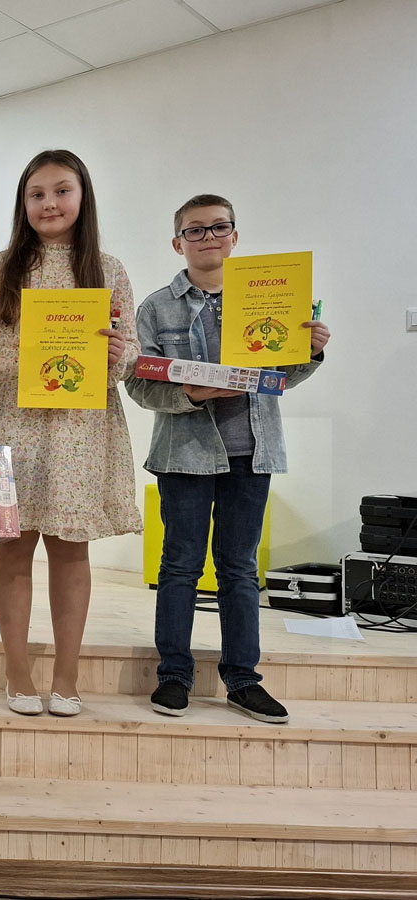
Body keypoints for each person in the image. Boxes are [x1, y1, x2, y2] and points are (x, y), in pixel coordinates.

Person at [125, 194, 330, 723]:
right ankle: (174, 676)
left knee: (239, 569)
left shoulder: (271, 299)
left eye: (219, 227)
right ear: (178, 243)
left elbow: (281, 377)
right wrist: (190, 395)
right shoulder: (156, 308)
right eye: (195, 230)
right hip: (184, 455)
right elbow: (140, 385)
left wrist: (311, 351)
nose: (208, 237)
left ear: (235, 237)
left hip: (253, 452)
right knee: (180, 565)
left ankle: (242, 680)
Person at [0, 149, 141, 718]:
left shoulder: (108, 270)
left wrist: (118, 352)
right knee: (13, 547)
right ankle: (17, 673)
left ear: (83, 197)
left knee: (70, 550)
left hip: (78, 432)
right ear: (23, 203)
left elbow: (130, 355)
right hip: (12, 426)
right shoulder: (3, 267)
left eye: (62, 190)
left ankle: (66, 677)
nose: (49, 203)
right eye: (36, 194)